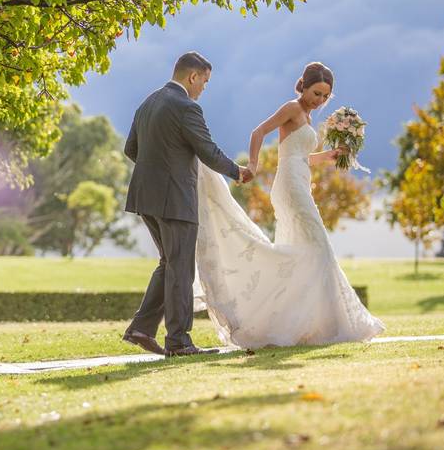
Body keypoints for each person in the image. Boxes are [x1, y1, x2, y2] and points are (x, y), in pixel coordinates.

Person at [193, 61, 385, 348]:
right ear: (304, 86)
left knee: (304, 251)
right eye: (316, 93)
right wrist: (254, 165)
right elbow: (259, 132)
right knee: (319, 247)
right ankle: (335, 324)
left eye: (325, 96)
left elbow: (300, 157)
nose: (319, 100)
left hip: (299, 180)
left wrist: (330, 155)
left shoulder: (306, 116)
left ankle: (298, 325)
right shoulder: (293, 109)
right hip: (290, 186)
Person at [121, 51, 253, 357]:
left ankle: (141, 328)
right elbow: (207, 150)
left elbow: (131, 149)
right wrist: (238, 172)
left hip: (145, 196)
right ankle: (179, 341)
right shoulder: (186, 107)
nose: (203, 88)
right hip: (175, 197)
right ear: (192, 76)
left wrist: (156, 168)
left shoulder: (147, 103)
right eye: (204, 82)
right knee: (180, 268)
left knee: (168, 263)